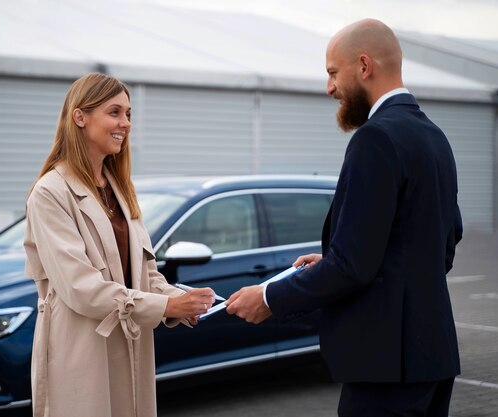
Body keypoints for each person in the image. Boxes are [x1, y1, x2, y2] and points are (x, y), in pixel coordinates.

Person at [225, 19, 462, 417]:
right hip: (433, 359)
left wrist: (269, 298)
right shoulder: (434, 136)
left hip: (386, 369)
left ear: (364, 66)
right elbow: (441, 247)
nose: (330, 87)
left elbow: (354, 266)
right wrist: (338, 261)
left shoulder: (375, 138)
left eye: (333, 73)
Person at [23, 73, 215, 417]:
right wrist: (167, 308)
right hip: (82, 350)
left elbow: (145, 273)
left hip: (131, 344)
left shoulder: (120, 189)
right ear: (79, 117)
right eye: (115, 112)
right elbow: (81, 288)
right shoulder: (50, 192)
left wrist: (182, 299)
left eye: (129, 115)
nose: (125, 124)